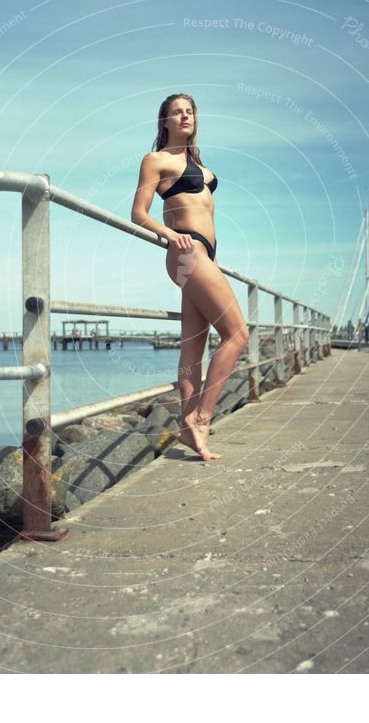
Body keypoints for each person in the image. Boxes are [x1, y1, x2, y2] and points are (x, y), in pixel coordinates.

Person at [131, 93, 249, 461]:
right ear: (164, 121)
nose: (185, 116)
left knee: (193, 346)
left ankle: (187, 429)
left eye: (190, 111)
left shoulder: (195, 160)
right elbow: (139, 212)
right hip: (187, 251)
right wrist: (169, 234)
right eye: (177, 112)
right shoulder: (156, 160)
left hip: (205, 255)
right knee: (238, 334)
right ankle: (202, 416)